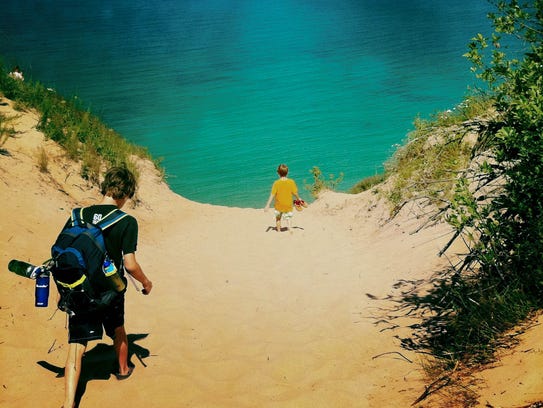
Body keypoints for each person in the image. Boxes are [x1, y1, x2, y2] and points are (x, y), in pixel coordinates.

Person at [61, 166, 153, 408]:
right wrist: (145, 282)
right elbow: (130, 264)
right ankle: (123, 368)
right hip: (110, 290)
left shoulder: (77, 215)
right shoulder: (126, 221)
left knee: (76, 346)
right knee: (118, 329)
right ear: (125, 193)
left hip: (79, 288)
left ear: (106, 187)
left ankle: (68, 403)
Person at [264, 163, 303, 233]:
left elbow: (272, 195)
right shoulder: (291, 182)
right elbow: (295, 193)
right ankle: (290, 228)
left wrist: (267, 205)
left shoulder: (276, 183)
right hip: (288, 205)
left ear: (278, 173)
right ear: (287, 172)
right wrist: (298, 198)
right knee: (289, 218)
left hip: (279, 205)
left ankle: (278, 231)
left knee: (278, 218)